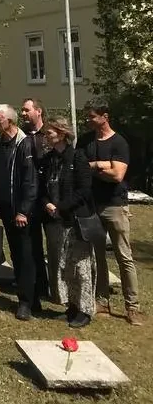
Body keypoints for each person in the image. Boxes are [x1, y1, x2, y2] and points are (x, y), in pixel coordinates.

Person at [81, 102, 142, 325]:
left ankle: (132, 307)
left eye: (92, 117)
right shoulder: (86, 140)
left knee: (123, 256)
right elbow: (80, 167)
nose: (88, 121)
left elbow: (118, 176)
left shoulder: (119, 142)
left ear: (104, 117)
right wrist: (103, 167)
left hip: (115, 205)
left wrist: (95, 165)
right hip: (92, 206)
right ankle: (101, 300)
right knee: (97, 257)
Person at [43, 117, 96, 328]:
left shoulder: (77, 157)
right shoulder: (49, 160)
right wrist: (47, 203)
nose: (47, 136)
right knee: (64, 266)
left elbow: (84, 190)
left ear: (62, 133)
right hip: (57, 221)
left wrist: (62, 206)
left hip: (77, 220)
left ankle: (85, 309)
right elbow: (43, 187)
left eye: (50, 132)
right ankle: (71, 305)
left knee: (81, 266)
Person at [0, 104, 38, 320]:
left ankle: (27, 301)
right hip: (6, 208)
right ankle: (28, 294)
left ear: (10, 120)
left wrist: (24, 210)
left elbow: (30, 181)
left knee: (25, 254)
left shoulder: (24, 143)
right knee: (16, 253)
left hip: (21, 210)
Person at [21, 97, 53, 305]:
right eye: (22, 111)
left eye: (26, 110)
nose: (23, 114)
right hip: (31, 199)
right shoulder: (23, 137)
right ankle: (38, 285)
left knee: (53, 244)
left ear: (38, 111)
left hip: (50, 198)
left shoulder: (50, 135)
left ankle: (53, 286)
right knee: (33, 245)